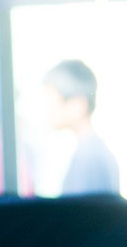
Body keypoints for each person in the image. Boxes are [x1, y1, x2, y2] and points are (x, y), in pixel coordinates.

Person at [43, 59, 121, 196]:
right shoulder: (93, 151)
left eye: (52, 104)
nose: (48, 112)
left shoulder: (88, 158)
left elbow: (81, 215)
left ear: (78, 105)